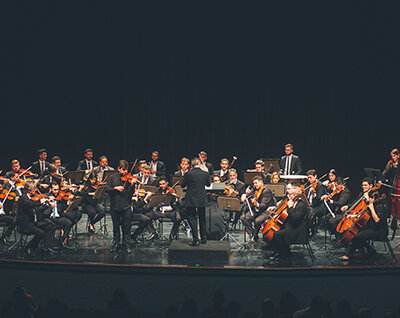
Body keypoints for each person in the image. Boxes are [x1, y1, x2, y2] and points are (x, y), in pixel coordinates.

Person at [340, 178, 389, 260]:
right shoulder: (371, 204)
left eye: (370, 198)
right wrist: (353, 216)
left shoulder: (380, 207)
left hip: (380, 231)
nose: (369, 200)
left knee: (357, 236)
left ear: (373, 198)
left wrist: (372, 207)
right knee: (356, 232)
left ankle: (349, 254)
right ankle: (371, 250)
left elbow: (377, 220)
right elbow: (363, 214)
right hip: (372, 227)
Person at [269, 186, 308, 264]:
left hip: (298, 230)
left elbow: (294, 219)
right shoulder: (293, 202)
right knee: (274, 231)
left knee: (277, 234)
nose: (288, 196)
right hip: (292, 226)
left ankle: (284, 255)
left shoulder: (301, 205)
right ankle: (281, 252)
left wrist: (290, 207)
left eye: (290, 194)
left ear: (295, 195)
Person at [16, 181, 57, 256]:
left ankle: (46, 247)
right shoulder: (23, 198)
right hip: (25, 225)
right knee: (41, 233)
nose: (35, 190)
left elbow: (36, 210)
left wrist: (47, 205)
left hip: (33, 222)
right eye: (34, 189)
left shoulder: (31, 199)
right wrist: (41, 200)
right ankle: (29, 247)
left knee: (51, 225)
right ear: (29, 190)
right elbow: (30, 204)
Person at [106, 160, 135, 252]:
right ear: (118, 169)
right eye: (123, 170)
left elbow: (131, 193)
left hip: (126, 205)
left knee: (126, 226)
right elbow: (107, 189)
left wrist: (132, 185)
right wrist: (115, 188)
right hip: (115, 205)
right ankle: (116, 243)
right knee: (116, 226)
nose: (125, 172)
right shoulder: (112, 177)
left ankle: (126, 244)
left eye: (126, 170)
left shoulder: (129, 179)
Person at [181, 157, 210, 246]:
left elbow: (183, 185)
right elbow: (208, 185)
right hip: (201, 198)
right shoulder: (205, 173)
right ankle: (204, 239)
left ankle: (195, 240)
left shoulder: (188, 173)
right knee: (202, 218)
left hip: (191, 199)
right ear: (200, 164)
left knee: (192, 218)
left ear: (191, 165)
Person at [240, 175, 276, 241]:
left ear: (261, 182)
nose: (255, 185)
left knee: (257, 221)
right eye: (254, 183)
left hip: (266, 210)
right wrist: (244, 195)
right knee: (244, 218)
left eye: (256, 183)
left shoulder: (266, 191)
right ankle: (252, 234)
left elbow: (263, 206)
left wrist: (256, 203)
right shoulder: (255, 188)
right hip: (257, 210)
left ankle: (255, 235)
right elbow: (248, 194)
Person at [383, 148, 400, 229]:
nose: (393, 158)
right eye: (392, 156)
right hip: (391, 184)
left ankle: (397, 219)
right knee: (389, 201)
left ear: (398, 155)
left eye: (394, 156)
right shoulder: (390, 163)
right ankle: (388, 218)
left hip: (398, 185)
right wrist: (382, 180)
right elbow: (385, 174)